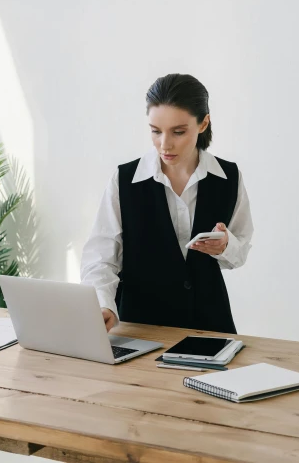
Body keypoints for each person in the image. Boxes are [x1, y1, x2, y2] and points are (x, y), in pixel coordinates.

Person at [80, 73, 253, 334]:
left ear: (203, 124)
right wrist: (103, 304)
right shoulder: (125, 180)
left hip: (210, 329)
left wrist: (226, 245)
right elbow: (101, 258)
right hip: (140, 329)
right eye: (155, 131)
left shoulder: (228, 177)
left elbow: (239, 252)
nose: (165, 144)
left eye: (178, 132)